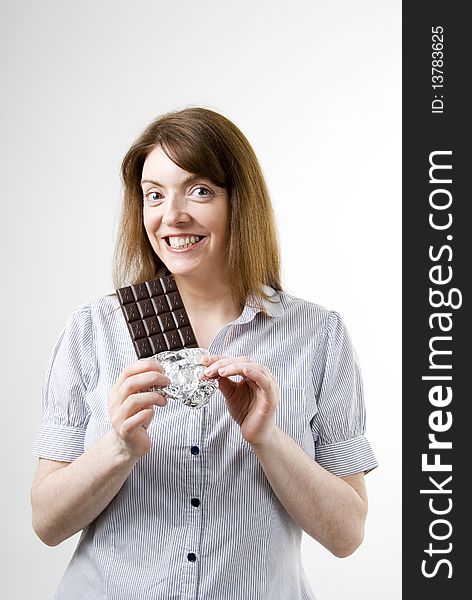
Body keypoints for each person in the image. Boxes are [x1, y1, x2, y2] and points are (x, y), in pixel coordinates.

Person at [31, 107, 378, 599]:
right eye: (154, 195)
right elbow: (46, 523)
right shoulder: (93, 329)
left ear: (241, 201)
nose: (171, 215)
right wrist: (118, 448)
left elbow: (347, 535)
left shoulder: (318, 334)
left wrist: (266, 438)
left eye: (199, 190)